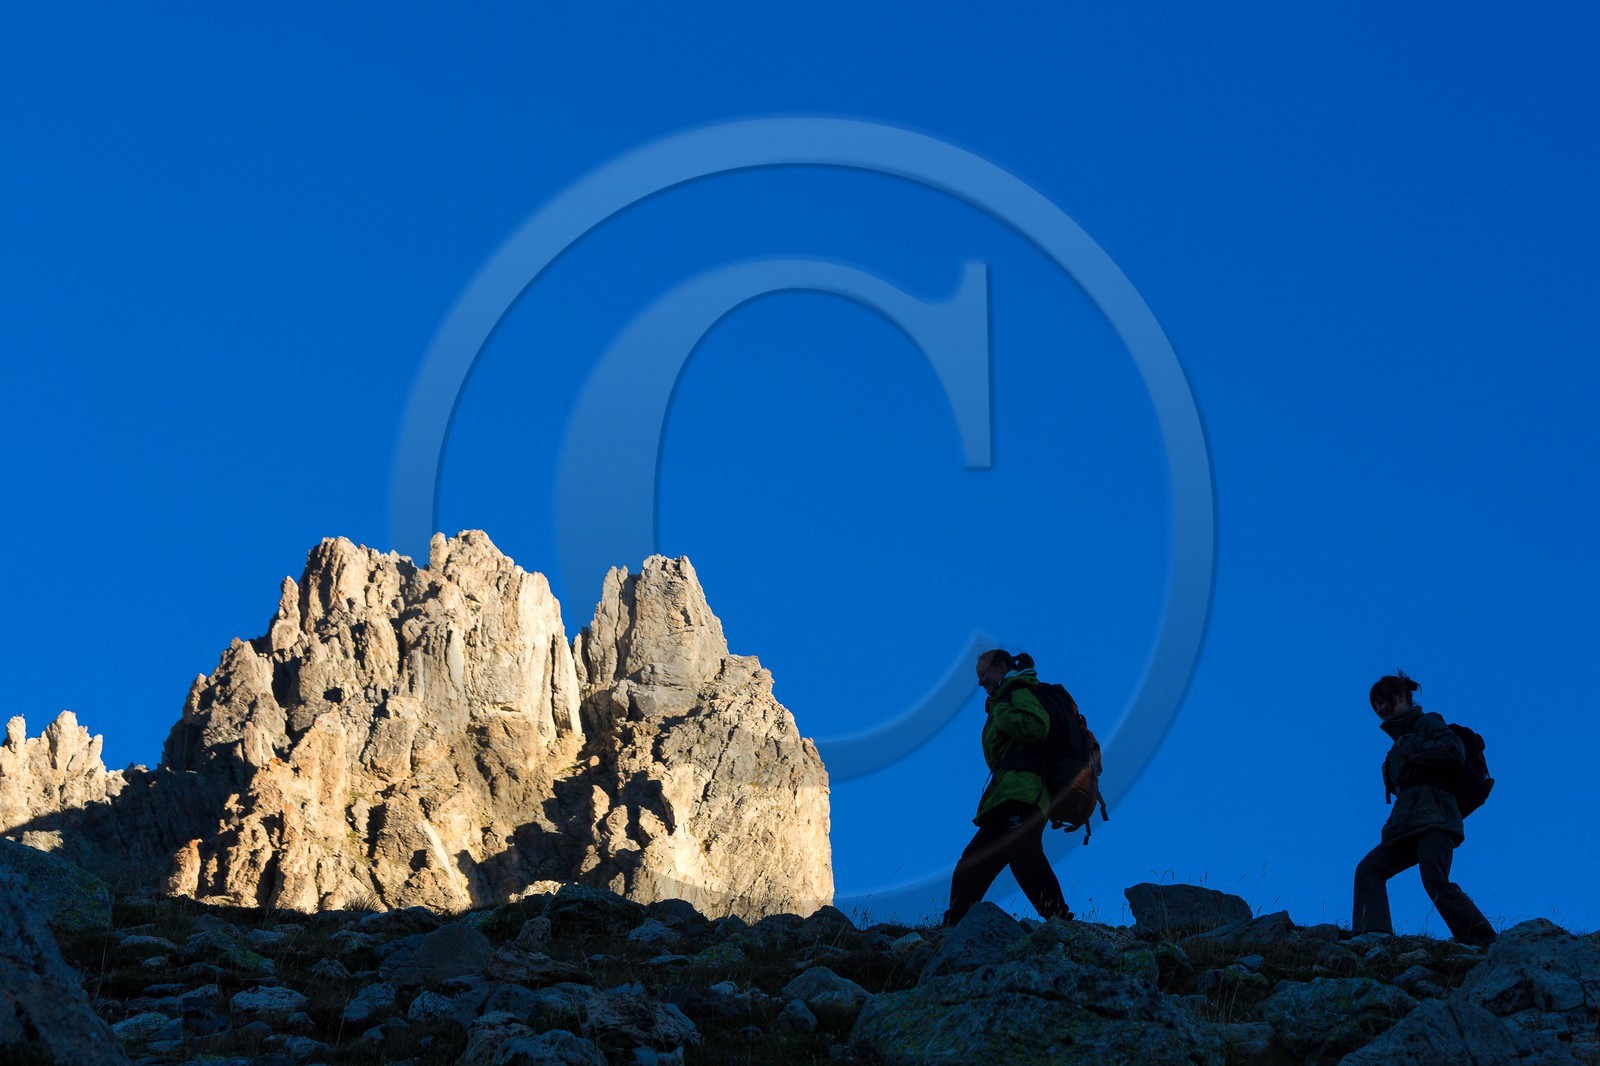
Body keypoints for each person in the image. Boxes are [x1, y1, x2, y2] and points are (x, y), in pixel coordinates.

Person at [1352, 671, 1496, 947]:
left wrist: (1410, 745)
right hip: (1406, 826)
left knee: (1436, 882)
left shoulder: (1426, 722)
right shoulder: (1396, 746)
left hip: (1437, 819)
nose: (1380, 709)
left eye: (1384, 701)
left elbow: (1454, 751)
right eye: (1375, 705)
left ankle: (1486, 942)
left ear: (1403, 696)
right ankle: (1372, 937)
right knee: (1369, 869)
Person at [943, 648, 1072, 926]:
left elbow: (1036, 727)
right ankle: (954, 924)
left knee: (1023, 851)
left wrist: (1001, 709)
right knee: (974, 861)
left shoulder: (1018, 691)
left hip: (1024, 792)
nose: (980, 682)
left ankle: (1059, 921)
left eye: (984, 673)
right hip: (1005, 796)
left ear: (1002, 667)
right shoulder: (1004, 698)